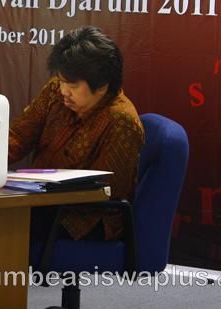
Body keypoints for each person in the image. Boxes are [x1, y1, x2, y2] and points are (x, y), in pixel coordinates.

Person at [9, 26, 143, 242]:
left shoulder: (121, 121)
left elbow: (107, 190)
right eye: (61, 81)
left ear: (102, 86)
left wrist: (55, 188)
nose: (63, 90)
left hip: (84, 218)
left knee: (4, 227)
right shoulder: (55, 92)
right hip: (41, 200)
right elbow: (19, 135)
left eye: (72, 85)